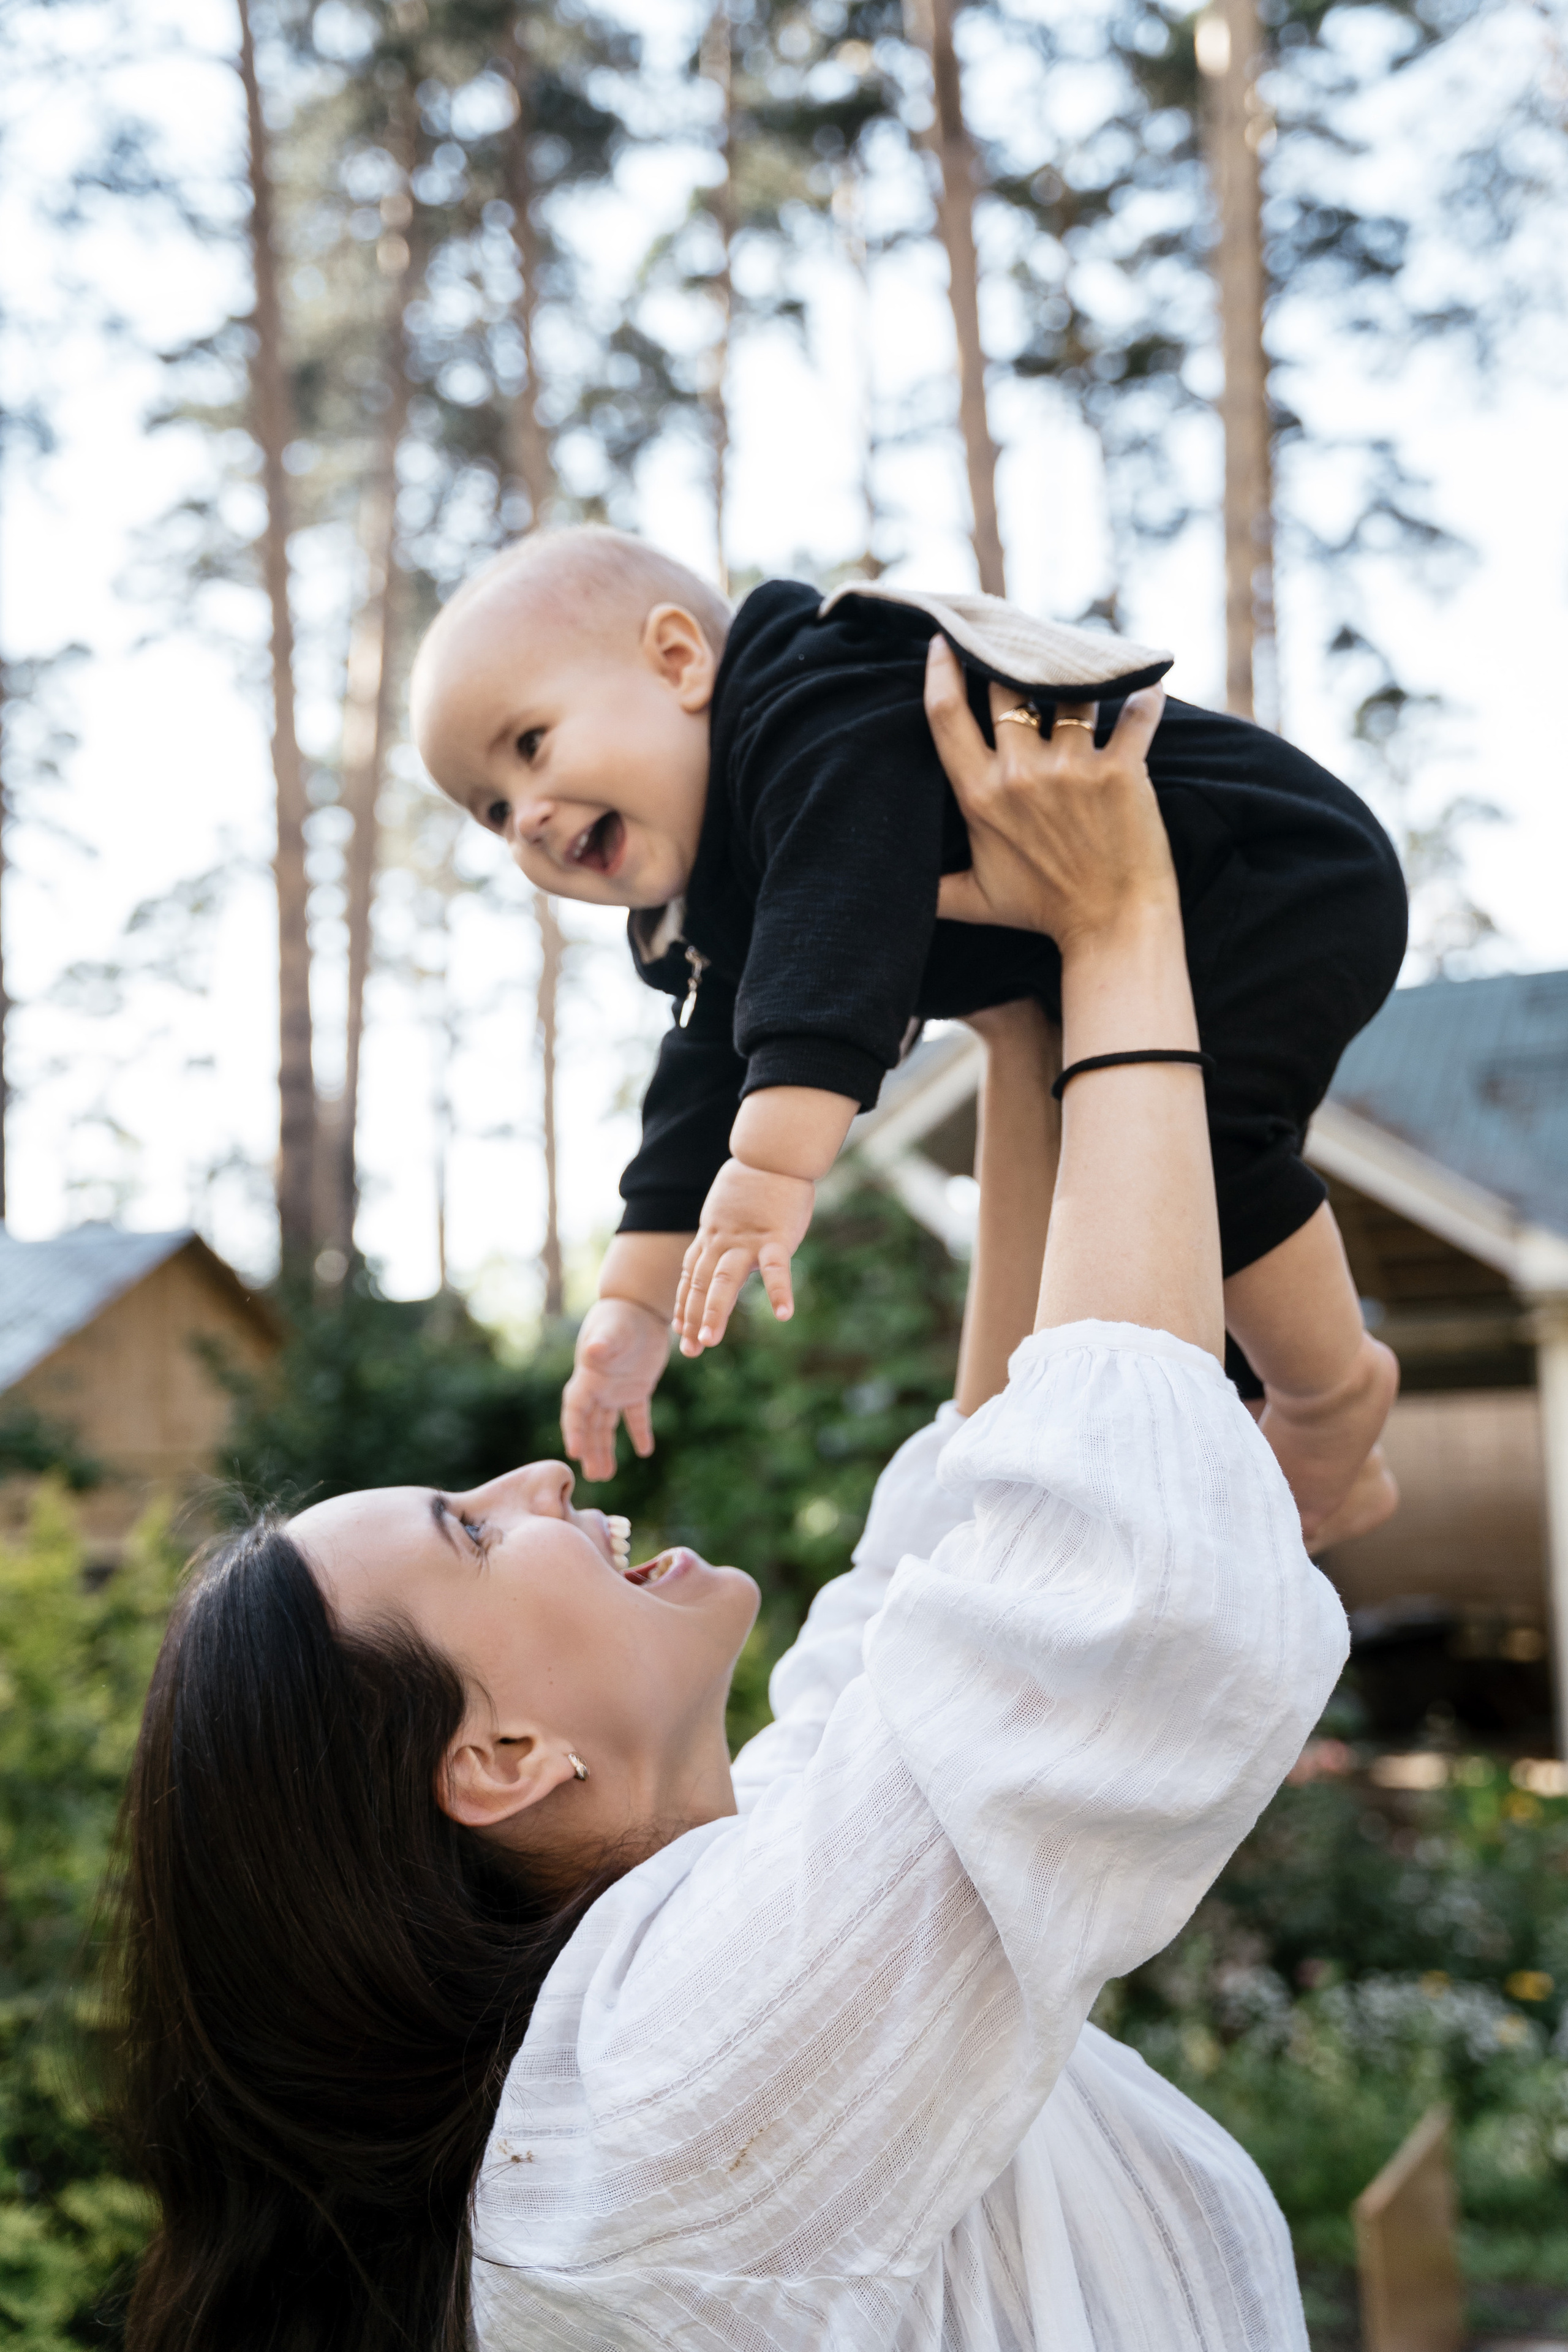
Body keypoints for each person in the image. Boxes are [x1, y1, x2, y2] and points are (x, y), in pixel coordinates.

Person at [107, 666, 1348, 2352]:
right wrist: (1127, 926)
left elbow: (974, 1549)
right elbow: (1100, 1592)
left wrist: (1019, 1018)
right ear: (497, 1762)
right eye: (474, 1528)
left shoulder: (708, 1924)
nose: (539, 1476)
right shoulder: (660, 2083)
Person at [412, 526, 1408, 1549]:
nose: (525, 818)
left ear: (679, 660)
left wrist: (773, 1160)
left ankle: (1332, 1398)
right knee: (1142, 1182)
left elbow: (836, 901)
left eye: (531, 745)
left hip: (1268, 876)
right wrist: (636, 1299)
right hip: (1118, 952)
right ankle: (1238, 1415)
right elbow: (707, 1068)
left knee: (1203, 1149)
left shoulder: (810, 699)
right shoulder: (714, 905)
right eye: (491, 811)